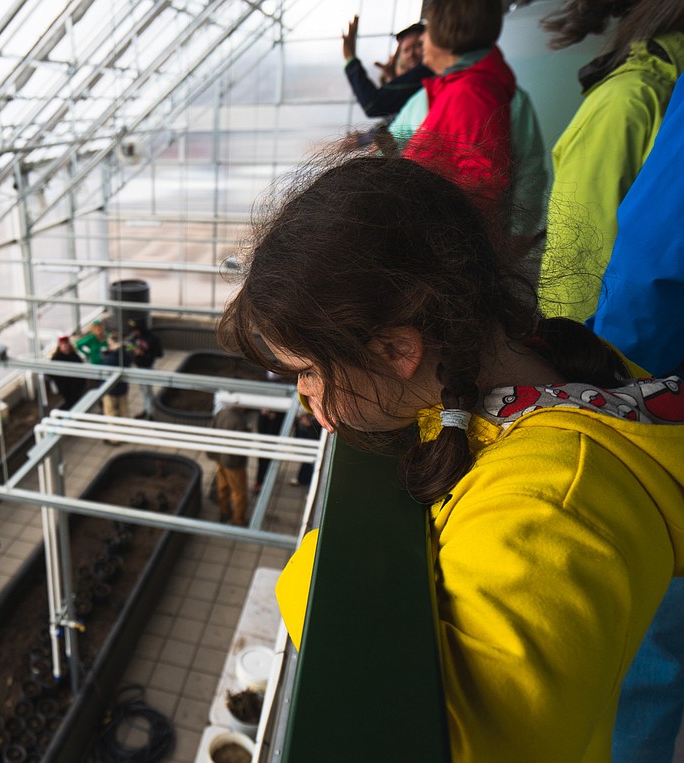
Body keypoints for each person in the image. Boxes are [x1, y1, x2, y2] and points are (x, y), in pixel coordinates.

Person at [218, 155, 684, 761]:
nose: (305, 399)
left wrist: (318, 570)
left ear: (397, 349)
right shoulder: (553, 360)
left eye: (307, 373)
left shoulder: (546, 511)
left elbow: (445, 744)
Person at [586, 76, 684, 763]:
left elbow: (652, 264)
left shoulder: (639, 85)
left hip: (642, 386)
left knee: (648, 636)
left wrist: (602, 376)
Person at [538, 0, 684, 322]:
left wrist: (562, 350)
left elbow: (578, 259)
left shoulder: (632, 98)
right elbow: (582, 255)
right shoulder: (638, 97)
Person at [387, 0, 548, 248]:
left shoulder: (471, 95)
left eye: (428, 30)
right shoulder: (437, 94)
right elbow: (394, 141)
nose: (422, 40)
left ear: (448, 32)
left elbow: (527, 172)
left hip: (447, 246)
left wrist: (517, 235)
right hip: (469, 246)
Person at [342, 17, 432, 119]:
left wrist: (350, 60)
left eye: (418, 46)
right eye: (406, 50)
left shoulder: (425, 73)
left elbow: (373, 105)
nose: (411, 54)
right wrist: (392, 80)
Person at [210, 403, 250, 526]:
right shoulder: (239, 421)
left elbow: (212, 431)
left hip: (220, 458)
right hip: (233, 463)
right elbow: (241, 445)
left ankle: (224, 512)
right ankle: (238, 519)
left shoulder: (221, 413)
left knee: (222, 485)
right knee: (238, 492)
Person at [127, 319, 163, 419]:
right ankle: (147, 410)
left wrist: (144, 354)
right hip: (138, 367)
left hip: (147, 368)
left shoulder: (153, 338)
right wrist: (132, 350)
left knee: (147, 391)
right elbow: (131, 345)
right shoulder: (136, 336)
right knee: (143, 390)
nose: (135, 332)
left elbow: (159, 354)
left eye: (136, 330)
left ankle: (151, 413)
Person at [100, 335, 133, 444]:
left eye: (109, 343)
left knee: (110, 414)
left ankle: (114, 439)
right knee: (124, 411)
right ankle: (127, 435)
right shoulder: (127, 355)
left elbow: (104, 374)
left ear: (113, 344)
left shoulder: (109, 359)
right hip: (123, 388)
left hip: (110, 391)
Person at [48, 334, 87, 410]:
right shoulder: (56, 358)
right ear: (60, 346)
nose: (65, 346)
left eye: (66, 344)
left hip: (77, 385)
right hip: (65, 386)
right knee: (70, 402)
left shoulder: (74, 355)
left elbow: (81, 368)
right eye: (63, 344)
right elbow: (51, 373)